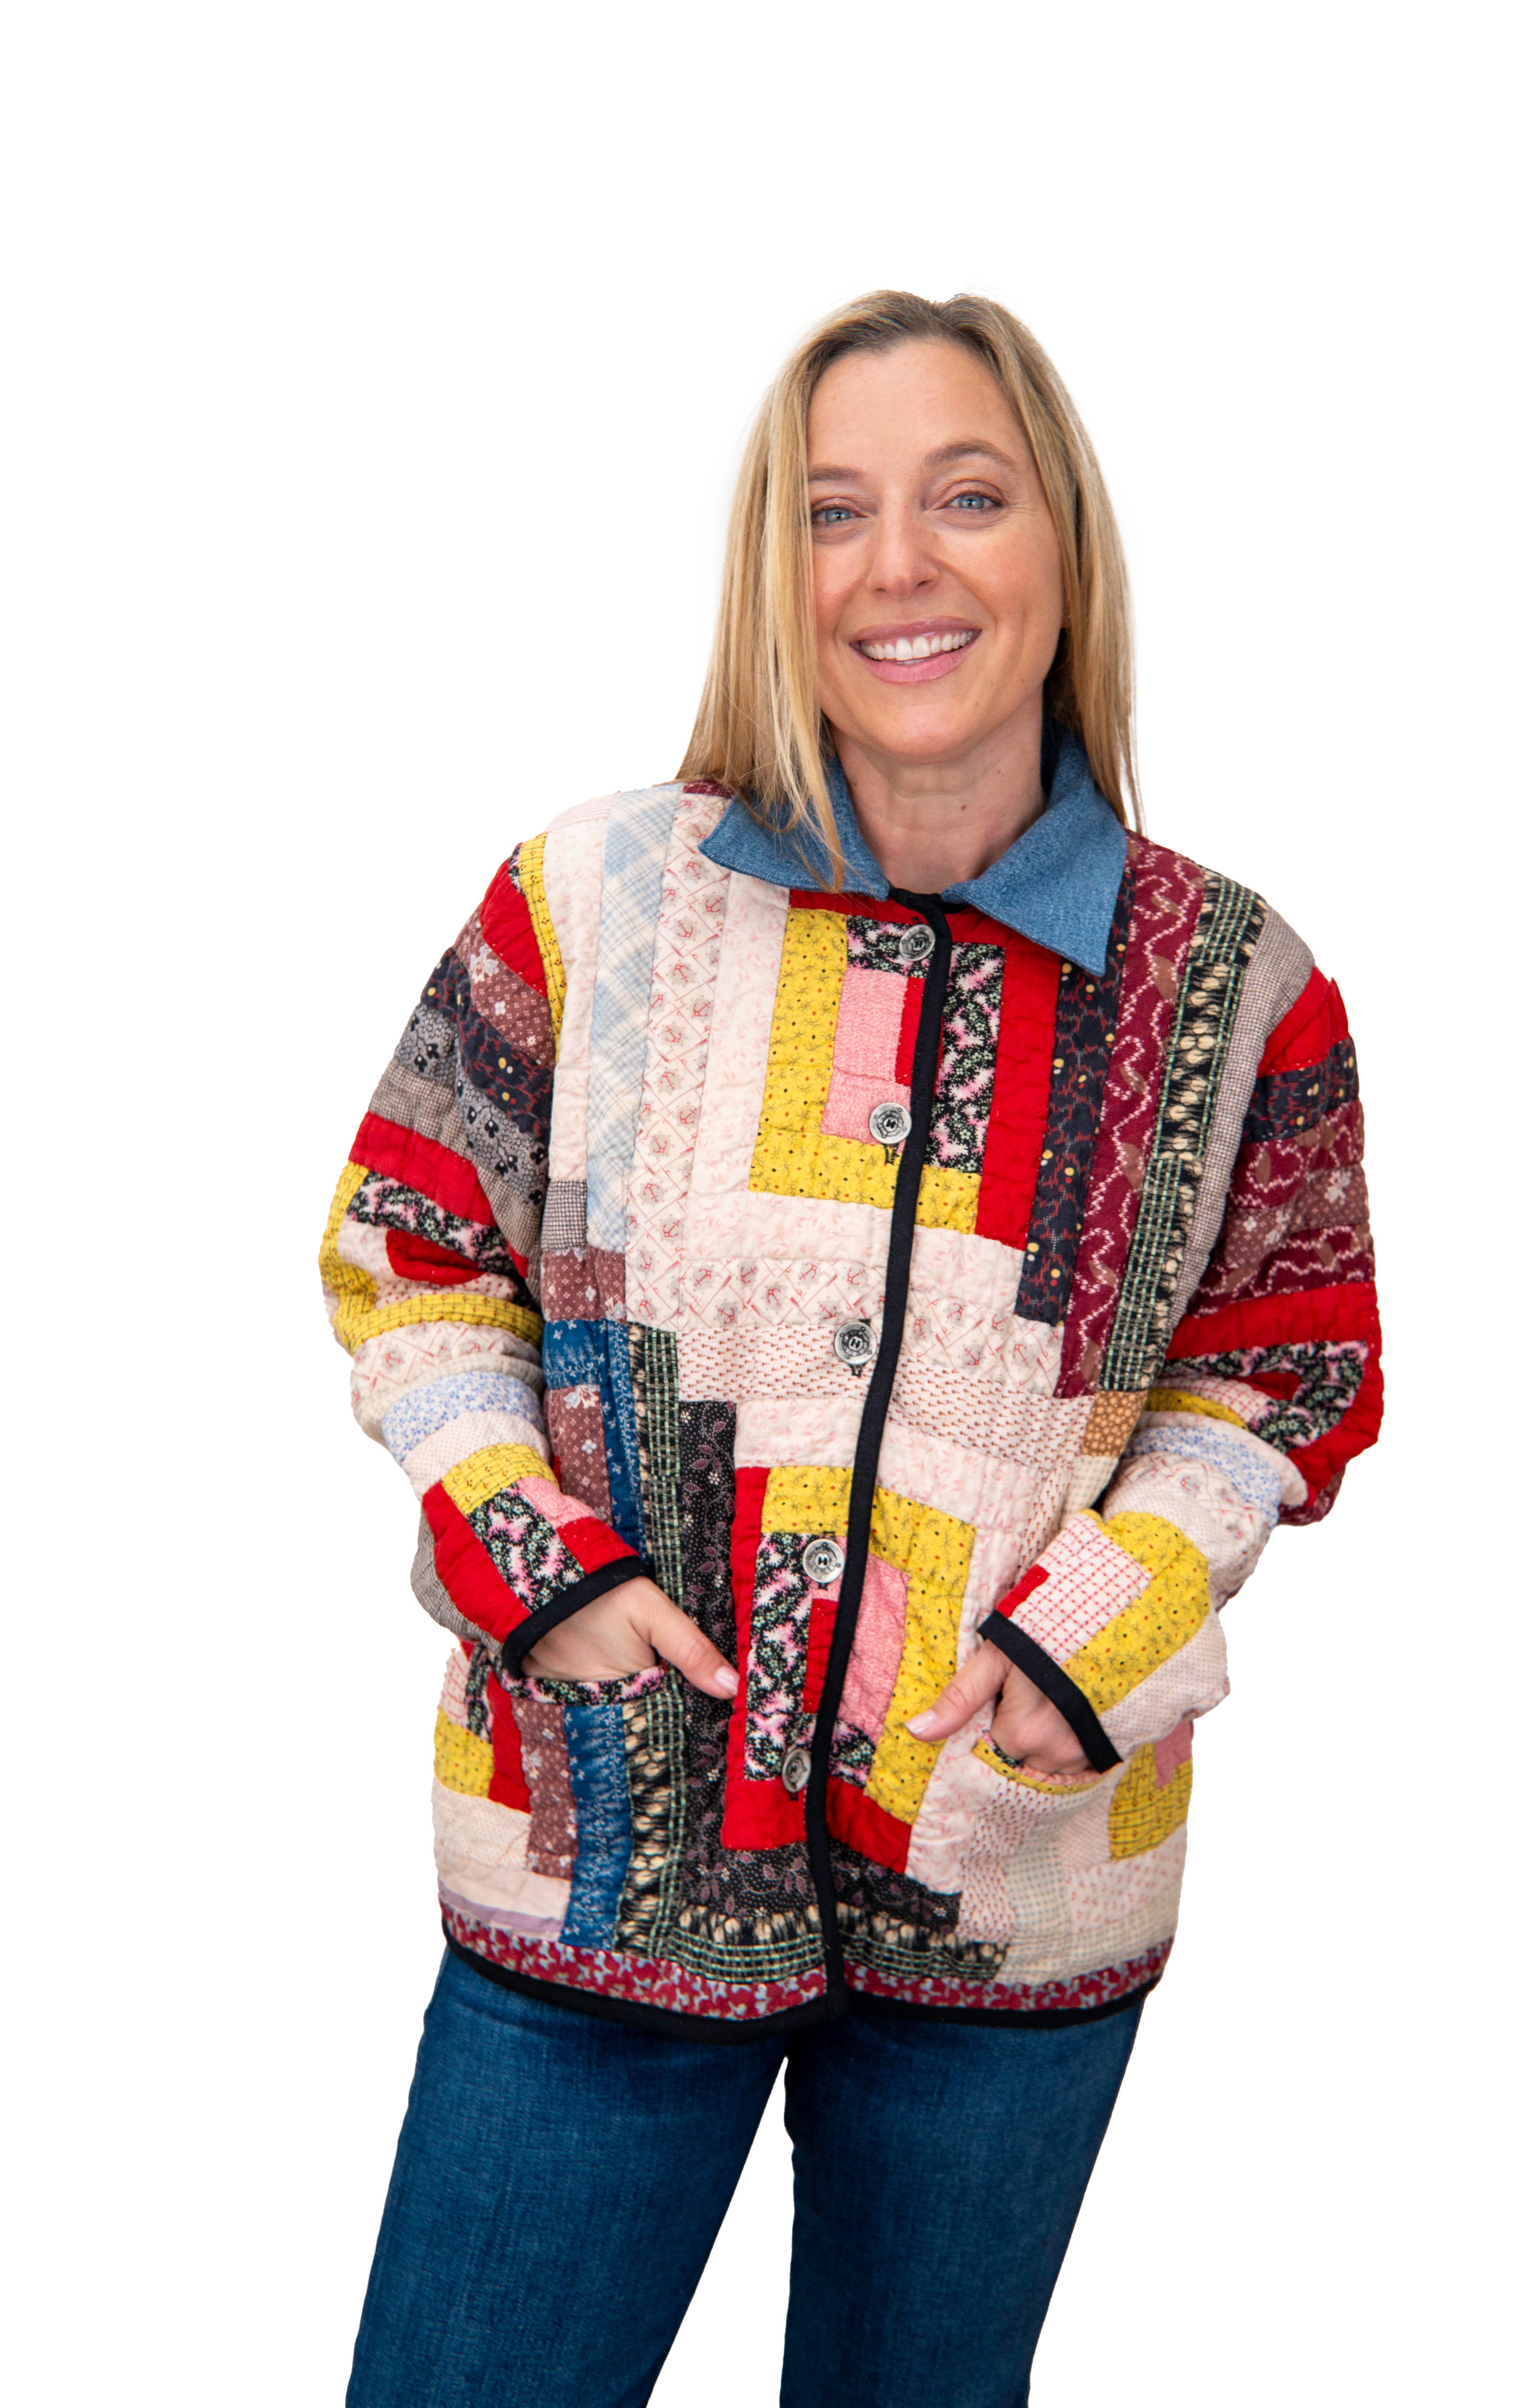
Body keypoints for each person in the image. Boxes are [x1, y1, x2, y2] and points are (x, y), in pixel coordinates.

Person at [323, 290, 1381, 2407]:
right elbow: (410, 1250)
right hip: (600, 1850)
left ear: (1061, 544)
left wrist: (1089, 1637)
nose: (896, 564)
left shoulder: (1232, 986)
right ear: (770, 569)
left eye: (964, 496)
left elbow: (1284, 1369)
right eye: (831, 512)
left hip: (1013, 1874)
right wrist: (544, 1569)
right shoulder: (588, 900)